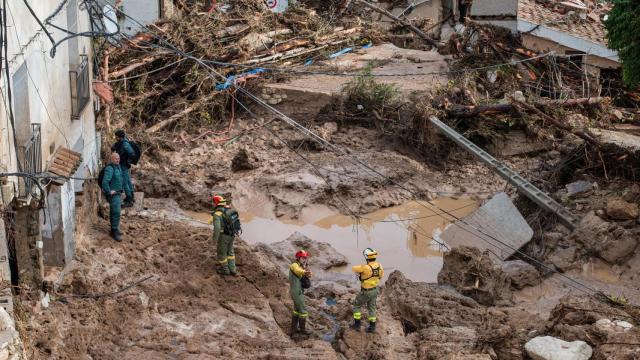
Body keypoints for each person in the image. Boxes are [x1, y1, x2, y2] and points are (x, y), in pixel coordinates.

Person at [351, 248, 384, 333]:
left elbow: (354, 268)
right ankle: (372, 328)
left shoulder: (365, 267)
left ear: (366, 257)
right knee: (372, 308)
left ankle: (357, 325)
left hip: (366, 291)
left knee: (356, 305)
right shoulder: (380, 266)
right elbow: (380, 276)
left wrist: (362, 267)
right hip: (375, 290)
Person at [101, 153, 126, 241]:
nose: (117, 160)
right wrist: (109, 191)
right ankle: (114, 231)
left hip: (118, 193)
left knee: (115, 212)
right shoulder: (110, 168)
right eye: (115, 158)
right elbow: (105, 182)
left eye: (118, 158)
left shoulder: (117, 167)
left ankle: (114, 229)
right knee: (116, 212)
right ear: (111, 159)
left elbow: (120, 179)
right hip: (113, 194)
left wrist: (121, 190)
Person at [210, 195, 237, 276]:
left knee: (221, 254)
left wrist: (215, 240)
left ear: (216, 203)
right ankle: (233, 269)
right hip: (232, 234)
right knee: (230, 252)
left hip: (223, 236)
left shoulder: (217, 215)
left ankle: (225, 270)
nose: (213, 204)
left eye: (213, 202)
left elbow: (217, 229)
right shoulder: (229, 210)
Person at [289, 250, 312, 336]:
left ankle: (293, 330)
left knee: (297, 310)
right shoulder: (294, 265)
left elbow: (309, 275)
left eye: (306, 258)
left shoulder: (302, 266)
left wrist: (306, 270)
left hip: (298, 290)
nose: (305, 259)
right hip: (296, 291)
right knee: (303, 311)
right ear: (298, 258)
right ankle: (303, 331)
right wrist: (304, 271)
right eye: (303, 258)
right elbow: (297, 271)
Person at [111, 129, 135, 208]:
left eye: (116, 137)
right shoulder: (122, 142)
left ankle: (129, 200)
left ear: (120, 137)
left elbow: (131, 153)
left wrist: (127, 160)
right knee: (128, 181)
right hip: (123, 165)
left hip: (124, 165)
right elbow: (116, 146)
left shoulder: (125, 144)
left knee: (124, 183)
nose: (116, 138)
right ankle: (131, 196)